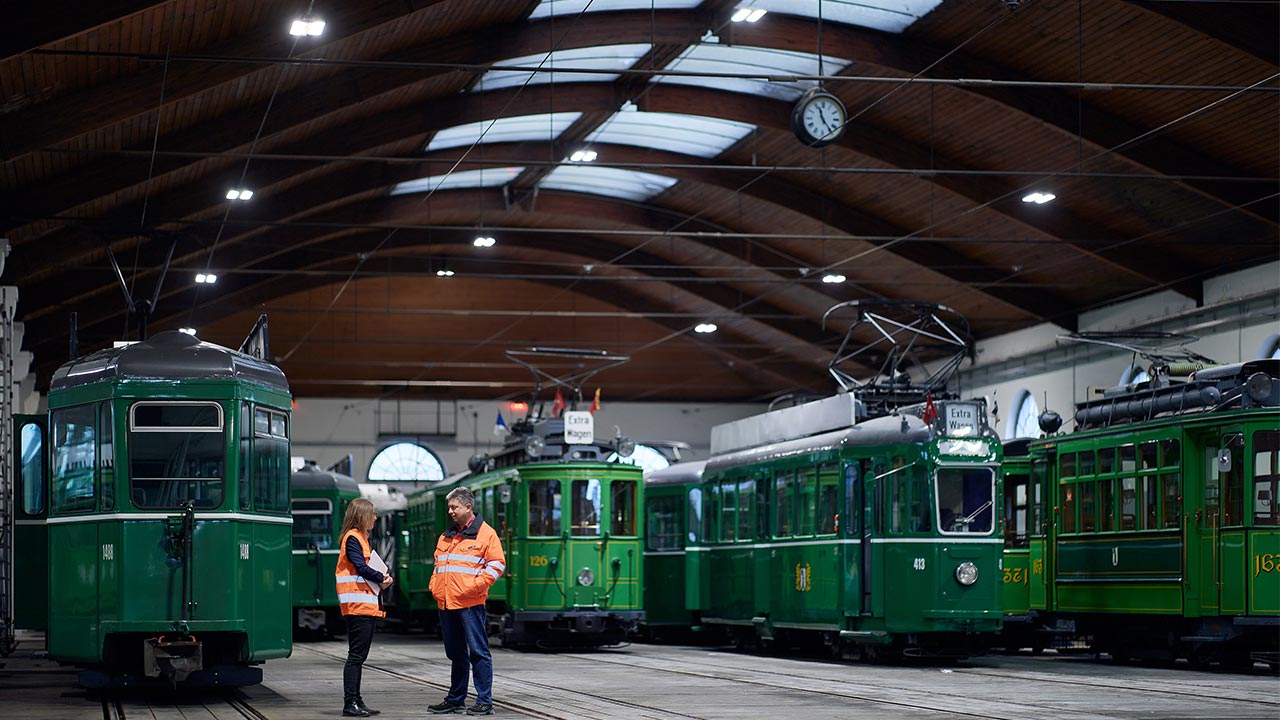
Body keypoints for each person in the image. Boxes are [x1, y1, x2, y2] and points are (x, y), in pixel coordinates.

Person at [428, 487, 506, 716]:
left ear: (468, 507)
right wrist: (434, 587)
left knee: (478, 653)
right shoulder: (447, 536)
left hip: (470, 604)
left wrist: (473, 587)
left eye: (455, 507)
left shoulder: (486, 534)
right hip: (446, 603)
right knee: (456, 654)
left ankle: (484, 701)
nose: (450, 511)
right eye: (449, 507)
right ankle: (456, 699)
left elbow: (497, 565)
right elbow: (438, 566)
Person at [335, 498, 393, 718]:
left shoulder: (361, 538)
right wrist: (382, 578)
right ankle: (350, 703)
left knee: (359, 656)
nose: (375, 518)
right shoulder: (352, 539)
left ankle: (357, 700)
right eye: (373, 514)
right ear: (362, 516)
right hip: (357, 606)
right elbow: (360, 567)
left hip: (364, 606)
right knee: (356, 657)